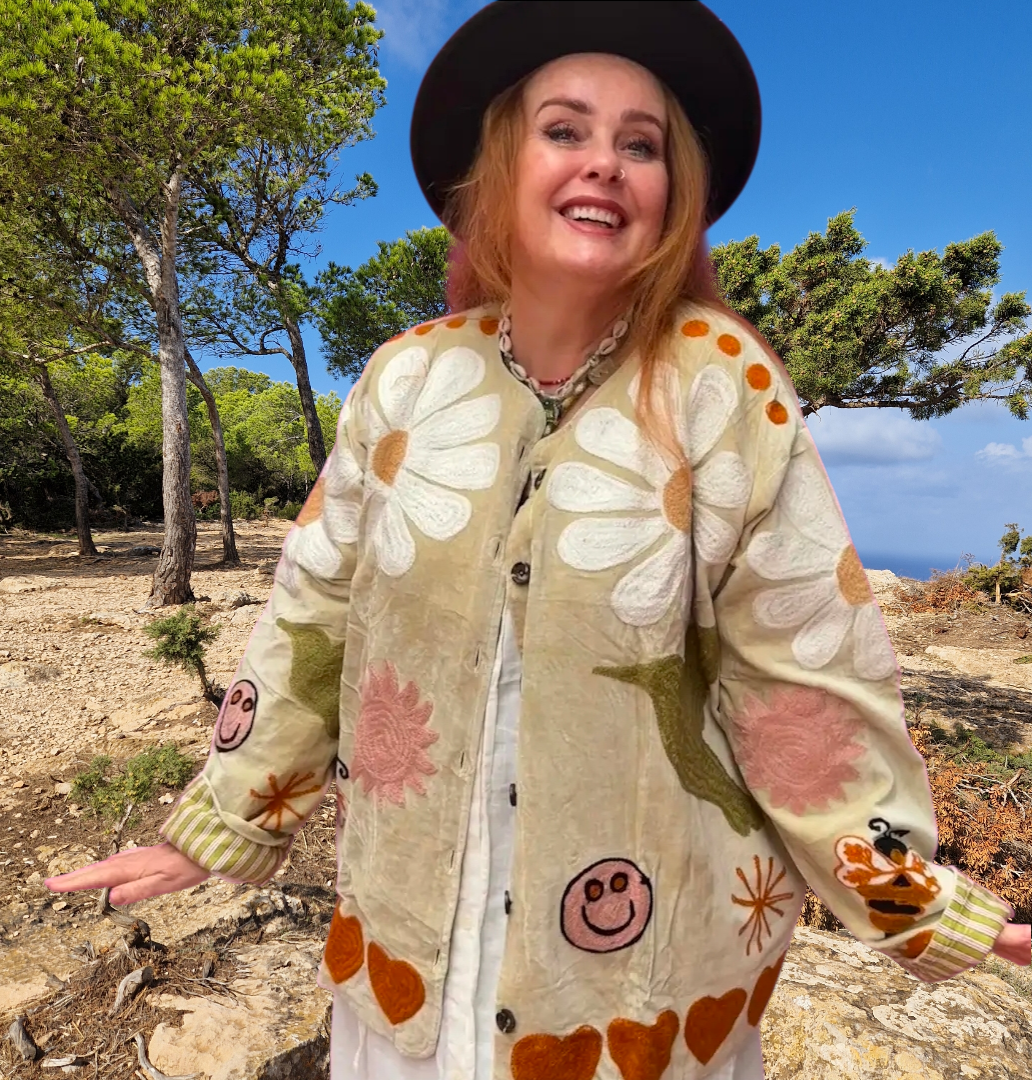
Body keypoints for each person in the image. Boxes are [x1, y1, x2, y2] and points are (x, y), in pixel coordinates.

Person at [48, 4, 1030, 1079]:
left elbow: (803, 674)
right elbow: (314, 616)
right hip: (409, 957)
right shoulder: (407, 379)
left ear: (673, 192)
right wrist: (219, 826)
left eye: (641, 144)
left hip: (639, 980)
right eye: (565, 130)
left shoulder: (724, 386)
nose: (604, 162)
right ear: (499, 167)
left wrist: (917, 899)